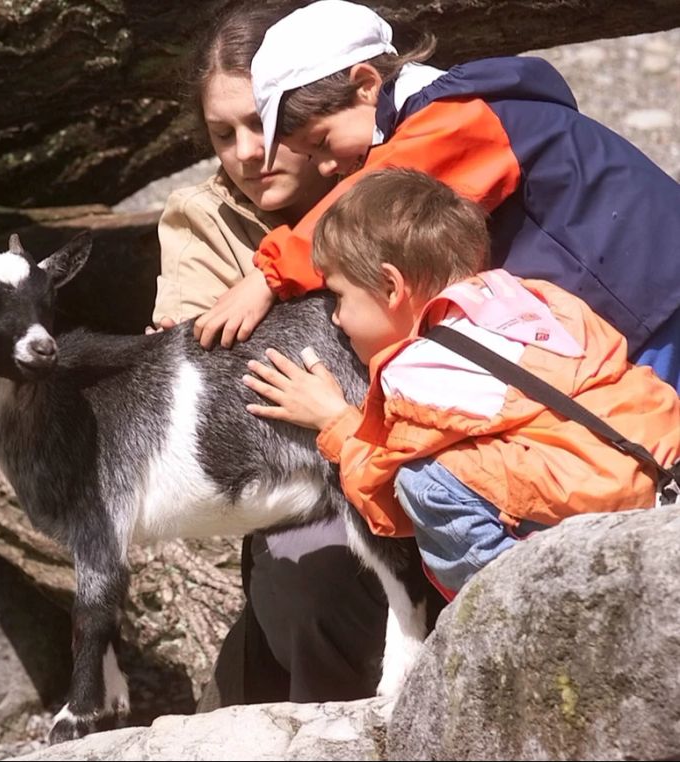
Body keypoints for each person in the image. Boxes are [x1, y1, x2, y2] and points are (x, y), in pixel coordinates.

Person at [193, 0, 680, 394]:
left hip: (650, 295)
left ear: (366, 85)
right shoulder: (443, 111)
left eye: (321, 143)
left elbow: (366, 207)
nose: (325, 167)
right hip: (637, 293)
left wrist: (268, 276)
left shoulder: (457, 118)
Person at [242, 166, 680, 597]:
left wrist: (334, 420)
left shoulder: (418, 373)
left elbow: (384, 499)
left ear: (392, 287)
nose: (336, 319)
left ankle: (506, 601)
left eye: (339, 296)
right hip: (660, 461)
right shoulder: (535, 298)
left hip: (602, 507)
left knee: (422, 480)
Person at [152, 0, 391, 707]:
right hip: (299, 476)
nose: (247, 153)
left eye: (263, 122)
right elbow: (191, 354)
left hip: (420, 441)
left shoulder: (388, 170)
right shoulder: (200, 218)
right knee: (305, 591)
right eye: (222, 134)